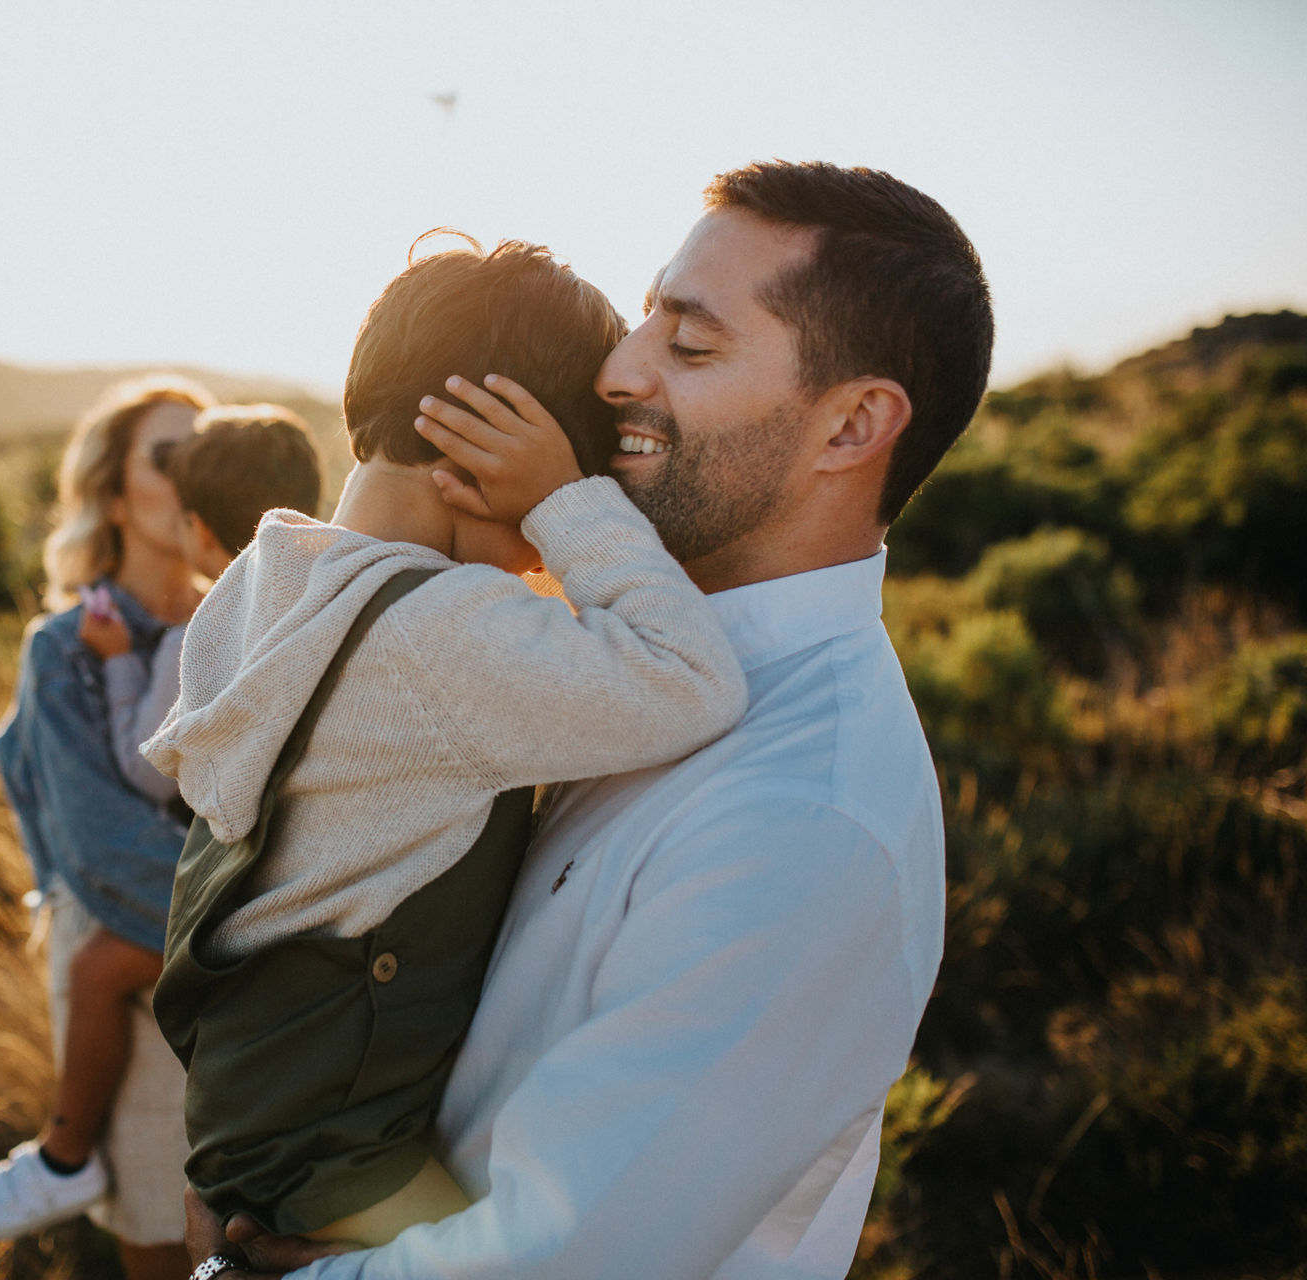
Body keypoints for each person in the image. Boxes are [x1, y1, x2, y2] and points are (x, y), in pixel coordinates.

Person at [185, 160, 994, 1279]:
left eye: (690, 344)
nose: (617, 372)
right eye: (646, 315)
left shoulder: (812, 814)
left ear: (853, 423)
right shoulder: (566, 653)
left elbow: (570, 1258)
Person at [142, 235, 749, 1248]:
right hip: (342, 1151)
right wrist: (566, 501)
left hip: (249, 1110)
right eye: (566, 470)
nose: (540, 559)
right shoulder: (442, 633)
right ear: (483, 450)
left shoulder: (270, 573)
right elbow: (692, 680)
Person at [0, 375, 209, 1280]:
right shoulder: (63, 649)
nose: (192, 474)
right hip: (135, 968)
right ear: (110, 493)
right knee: (163, 1245)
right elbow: (105, 855)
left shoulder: (247, 617)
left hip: (230, 985)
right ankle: (63, 1153)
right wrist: (261, 921)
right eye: (166, 457)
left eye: (207, 452)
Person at [87, 407, 327, 807]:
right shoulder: (327, 600)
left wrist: (119, 660)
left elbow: (148, 772)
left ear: (198, 531)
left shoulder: (196, 641)